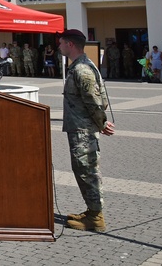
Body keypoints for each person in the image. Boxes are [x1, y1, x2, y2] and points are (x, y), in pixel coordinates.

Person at [58, 28, 115, 232]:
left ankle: (96, 217)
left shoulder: (82, 70)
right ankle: (92, 211)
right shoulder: (83, 66)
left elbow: (95, 102)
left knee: (86, 171)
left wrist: (102, 124)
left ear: (70, 45)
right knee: (84, 169)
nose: (59, 46)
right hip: (81, 128)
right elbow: (103, 99)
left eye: (61, 43)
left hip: (83, 130)